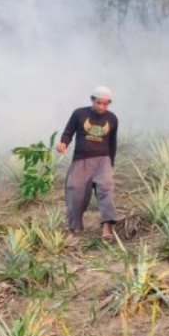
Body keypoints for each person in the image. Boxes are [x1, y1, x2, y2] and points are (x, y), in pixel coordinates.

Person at [56, 86, 118, 239]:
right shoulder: (79, 114)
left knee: (106, 189)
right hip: (81, 159)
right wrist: (63, 143)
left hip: (103, 160)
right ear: (92, 100)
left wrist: (111, 163)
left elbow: (112, 142)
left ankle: (106, 228)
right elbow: (68, 132)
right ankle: (75, 227)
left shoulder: (112, 118)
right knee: (75, 192)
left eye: (106, 104)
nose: (102, 107)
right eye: (99, 103)